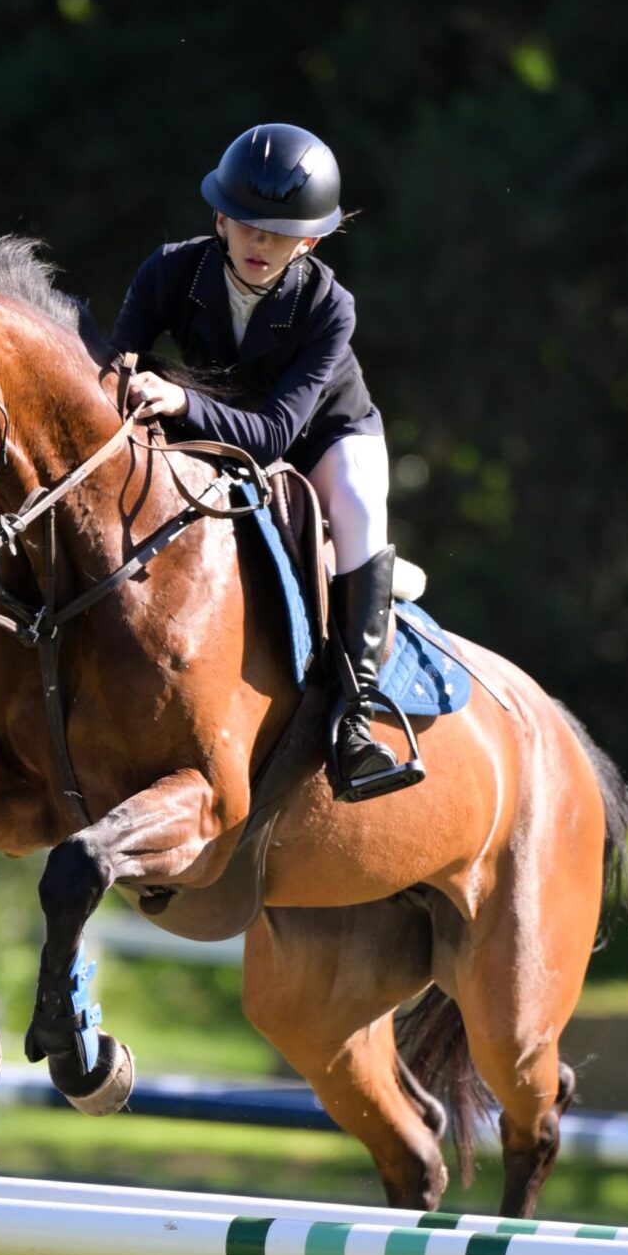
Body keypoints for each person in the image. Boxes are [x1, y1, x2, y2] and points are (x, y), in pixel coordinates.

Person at [108, 122, 422, 802]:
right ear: (220, 219)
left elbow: (277, 433)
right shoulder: (169, 271)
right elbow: (112, 366)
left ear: (309, 242)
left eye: (280, 235)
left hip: (326, 438)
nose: (261, 244)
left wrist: (179, 400)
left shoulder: (329, 306)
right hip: (217, 421)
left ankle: (355, 720)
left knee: (359, 506)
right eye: (248, 226)